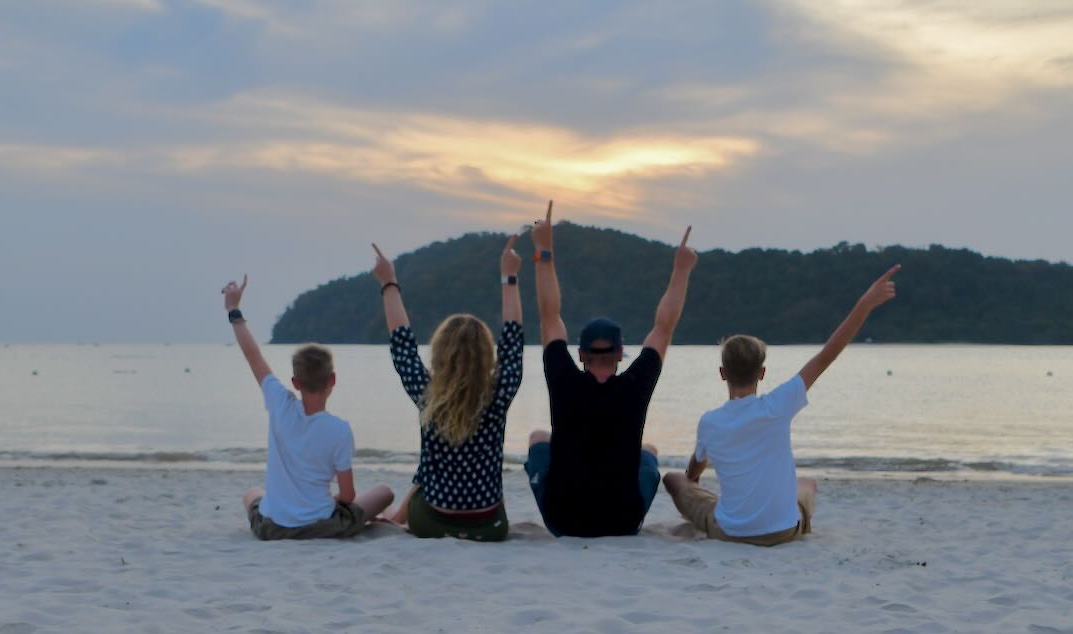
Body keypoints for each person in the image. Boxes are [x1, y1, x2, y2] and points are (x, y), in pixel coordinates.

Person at [663, 265, 901, 546]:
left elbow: (694, 469)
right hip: (784, 531)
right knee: (807, 484)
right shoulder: (778, 405)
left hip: (728, 532)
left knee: (673, 480)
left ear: (723, 373)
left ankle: (719, 510)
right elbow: (827, 355)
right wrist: (866, 303)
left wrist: (693, 478)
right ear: (761, 373)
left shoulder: (710, 422)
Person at [525, 201, 698, 537]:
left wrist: (543, 250)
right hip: (623, 521)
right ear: (621, 353)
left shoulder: (563, 378)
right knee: (647, 452)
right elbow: (664, 327)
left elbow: (549, 314)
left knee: (538, 439)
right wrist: (681, 270)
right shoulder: (636, 383)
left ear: (579, 355)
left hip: (563, 520)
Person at [371, 236, 524, 541]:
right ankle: (400, 514)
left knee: (429, 465)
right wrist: (509, 277)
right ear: (486, 354)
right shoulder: (499, 392)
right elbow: (513, 339)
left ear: (440, 353)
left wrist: (389, 283)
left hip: (433, 522)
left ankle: (397, 516)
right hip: (489, 525)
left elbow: (402, 345)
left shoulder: (428, 394)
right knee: (434, 465)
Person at [221, 275, 394, 540]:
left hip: (273, 528)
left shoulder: (279, 404)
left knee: (252, 494)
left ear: (295, 383)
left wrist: (234, 310)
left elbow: (252, 354)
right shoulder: (339, 430)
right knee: (384, 492)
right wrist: (330, 503)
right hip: (321, 525)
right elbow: (348, 496)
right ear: (332, 380)